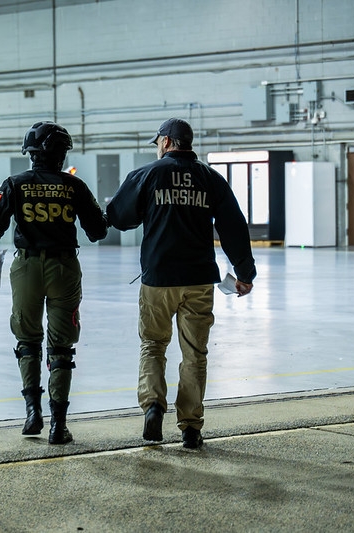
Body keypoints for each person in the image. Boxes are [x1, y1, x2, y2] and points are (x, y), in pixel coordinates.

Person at [104, 118, 256, 449]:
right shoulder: (211, 178)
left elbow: (118, 217)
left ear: (168, 142)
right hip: (199, 280)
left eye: (158, 142)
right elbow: (233, 226)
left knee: (153, 344)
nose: (157, 147)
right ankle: (190, 427)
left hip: (159, 279)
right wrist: (245, 273)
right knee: (195, 354)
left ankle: (153, 407)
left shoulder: (147, 175)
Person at [0, 121, 108, 444]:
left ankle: (32, 413)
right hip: (64, 268)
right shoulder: (74, 186)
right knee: (62, 345)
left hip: (26, 268)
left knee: (27, 339)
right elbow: (97, 231)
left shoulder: (15, 184)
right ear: (62, 154)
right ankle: (58, 426)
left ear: (31, 153)